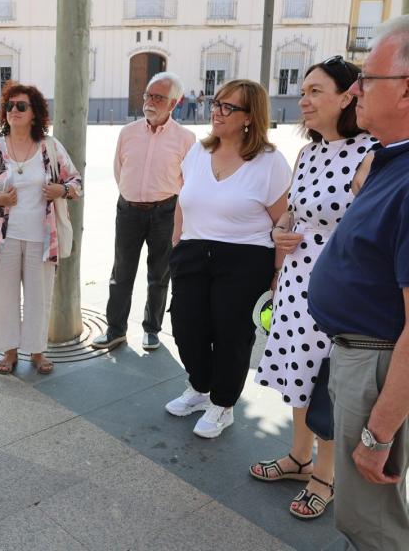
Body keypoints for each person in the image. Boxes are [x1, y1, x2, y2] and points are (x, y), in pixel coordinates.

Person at [250, 56, 377, 520]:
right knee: (298, 375)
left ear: (347, 97)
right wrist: (280, 230)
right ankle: (299, 457)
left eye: (315, 91)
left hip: (341, 287)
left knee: (327, 383)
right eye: (303, 91)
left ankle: (326, 474)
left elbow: (373, 229)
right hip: (296, 280)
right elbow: (293, 211)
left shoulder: (371, 153)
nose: (303, 100)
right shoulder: (308, 153)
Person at [308, 15, 409, 550]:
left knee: (370, 521)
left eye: (368, 78)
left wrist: (379, 433)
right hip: (360, 356)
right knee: (361, 513)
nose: (355, 91)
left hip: (376, 364)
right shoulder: (387, 160)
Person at [167, 79, 291, 439]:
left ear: (250, 116)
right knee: (186, 327)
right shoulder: (198, 152)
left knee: (231, 336)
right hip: (192, 251)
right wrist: (177, 242)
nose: (216, 112)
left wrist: (278, 272)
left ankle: (223, 404)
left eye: (227, 107)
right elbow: (183, 199)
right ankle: (200, 386)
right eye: (215, 103)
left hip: (245, 258)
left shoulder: (270, 162)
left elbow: (283, 221)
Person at [0, 81, 82, 375]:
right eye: (9, 106)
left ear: (34, 113)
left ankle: (38, 352)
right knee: (2, 297)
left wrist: (60, 190)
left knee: (38, 298)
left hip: (41, 238)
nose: (14, 110)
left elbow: (76, 182)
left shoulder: (50, 148)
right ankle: (9, 352)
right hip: (2, 238)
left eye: (21, 106)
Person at [92, 72, 195, 352]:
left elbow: (189, 182)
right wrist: (132, 196)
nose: (150, 101)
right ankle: (115, 330)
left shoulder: (186, 139)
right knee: (121, 273)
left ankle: (152, 329)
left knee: (159, 275)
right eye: (148, 95)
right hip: (128, 210)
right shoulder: (127, 133)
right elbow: (120, 170)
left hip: (165, 212)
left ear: (174, 103)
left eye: (158, 97)